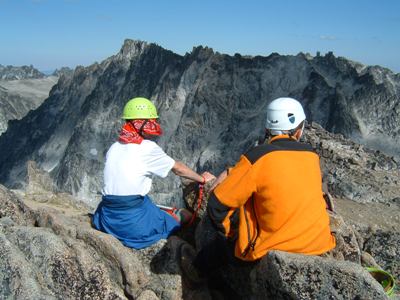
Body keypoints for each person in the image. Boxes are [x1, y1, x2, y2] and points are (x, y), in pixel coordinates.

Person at [181, 97, 336, 282]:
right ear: (298, 128)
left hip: (272, 249)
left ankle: (197, 271)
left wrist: (231, 234)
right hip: (319, 244)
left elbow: (217, 205)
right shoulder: (311, 156)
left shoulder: (257, 157)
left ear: (269, 127)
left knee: (220, 247)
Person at [93, 97, 214, 249]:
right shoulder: (147, 147)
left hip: (107, 217)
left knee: (151, 205)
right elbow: (178, 169)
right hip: (132, 222)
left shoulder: (115, 146)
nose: (155, 125)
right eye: (152, 121)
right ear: (143, 124)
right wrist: (202, 179)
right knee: (183, 216)